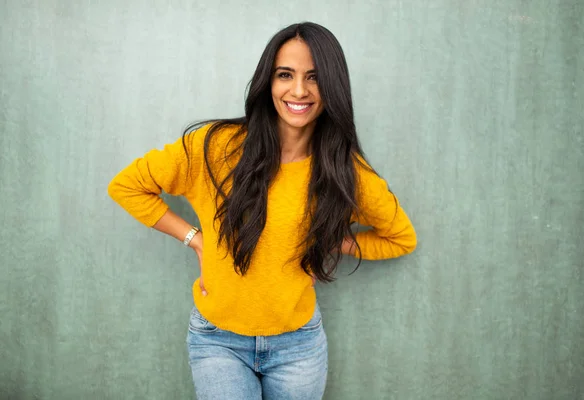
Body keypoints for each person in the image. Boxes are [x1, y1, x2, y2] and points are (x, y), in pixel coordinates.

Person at [108, 21, 417, 400]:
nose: (299, 90)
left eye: (314, 77)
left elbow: (401, 238)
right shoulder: (215, 147)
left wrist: (332, 241)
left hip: (298, 348)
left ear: (332, 86)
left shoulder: (346, 172)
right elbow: (127, 186)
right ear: (268, 82)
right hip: (217, 341)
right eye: (285, 75)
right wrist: (196, 240)